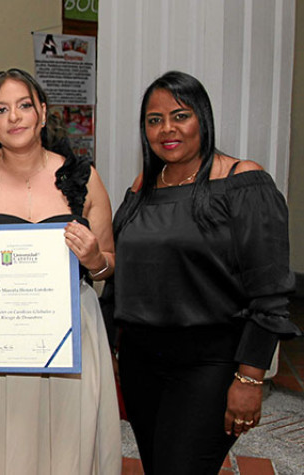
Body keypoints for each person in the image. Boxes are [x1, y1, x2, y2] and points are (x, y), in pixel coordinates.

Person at [0, 68, 121, 474]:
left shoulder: (83, 177)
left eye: (24, 105)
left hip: (65, 329)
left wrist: (94, 260)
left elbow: (107, 263)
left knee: (62, 443)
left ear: (43, 113)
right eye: (1, 109)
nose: (14, 117)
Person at [112, 71, 301, 474]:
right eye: (154, 119)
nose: (167, 129)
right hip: (141, 362)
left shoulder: (242, 181)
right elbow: (123, 273)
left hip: (210, 364)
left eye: (180, 115)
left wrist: (250, 379)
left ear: (203, 117)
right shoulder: (144, 185)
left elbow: (269, 291)